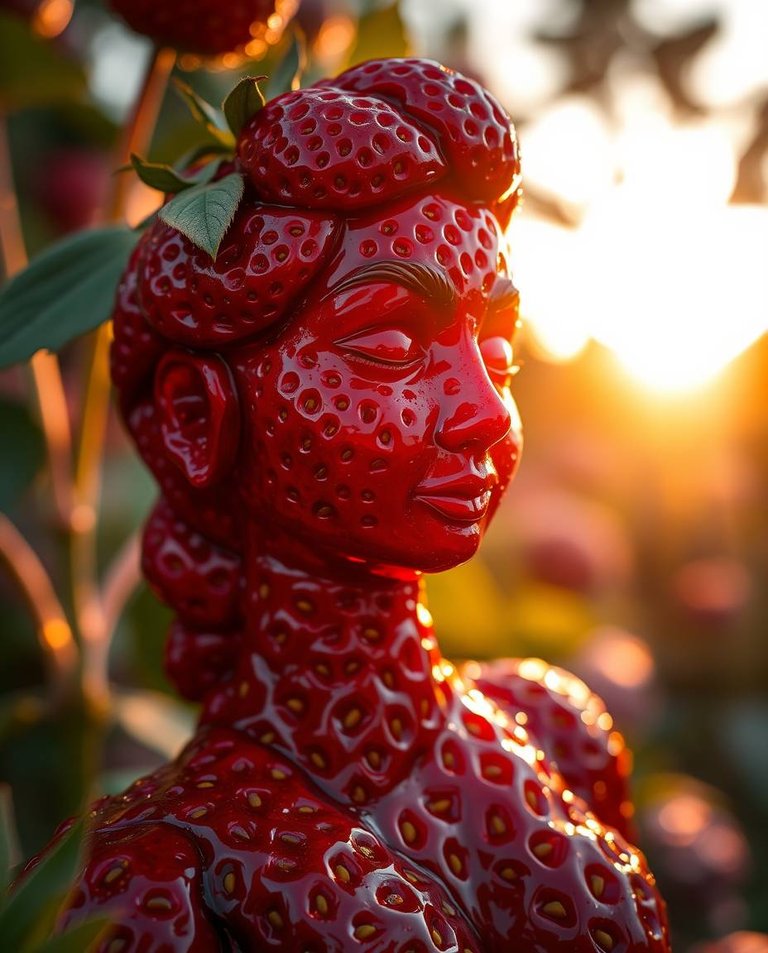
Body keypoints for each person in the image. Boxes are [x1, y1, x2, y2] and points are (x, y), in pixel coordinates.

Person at [30, 58, 669, 951]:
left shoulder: (554, 726)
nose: (486, 408)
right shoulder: (147, 881)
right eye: (392, 339)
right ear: (194, 415)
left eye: (497, 346)